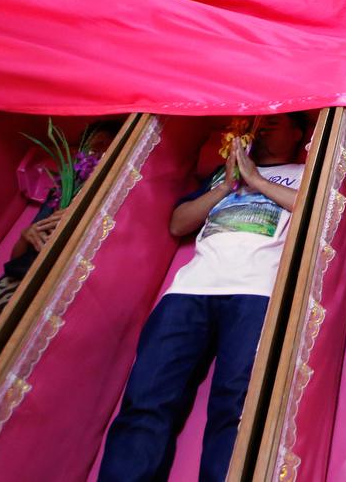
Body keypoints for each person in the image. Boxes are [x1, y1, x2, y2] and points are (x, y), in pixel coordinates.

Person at [97, 113, 308, 482]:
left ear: (298, 133)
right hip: (189, 291)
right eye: (260, 123)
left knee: (237, 407)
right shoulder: (222, 175)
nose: (265, 127)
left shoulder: (306, 173)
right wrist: (228, 184)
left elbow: (316, 212)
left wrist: (257, 180)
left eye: (277, 122)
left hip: (256, 292)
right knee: (146, 401)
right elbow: (179, 223)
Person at [0, 120, 121, 352]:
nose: (97, 150)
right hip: (11, 287)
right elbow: (16, 261)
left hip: (53, 291)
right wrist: (26, 236)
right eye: (92, 145)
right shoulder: (62, 189)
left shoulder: (118, 198)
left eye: (104, 144)